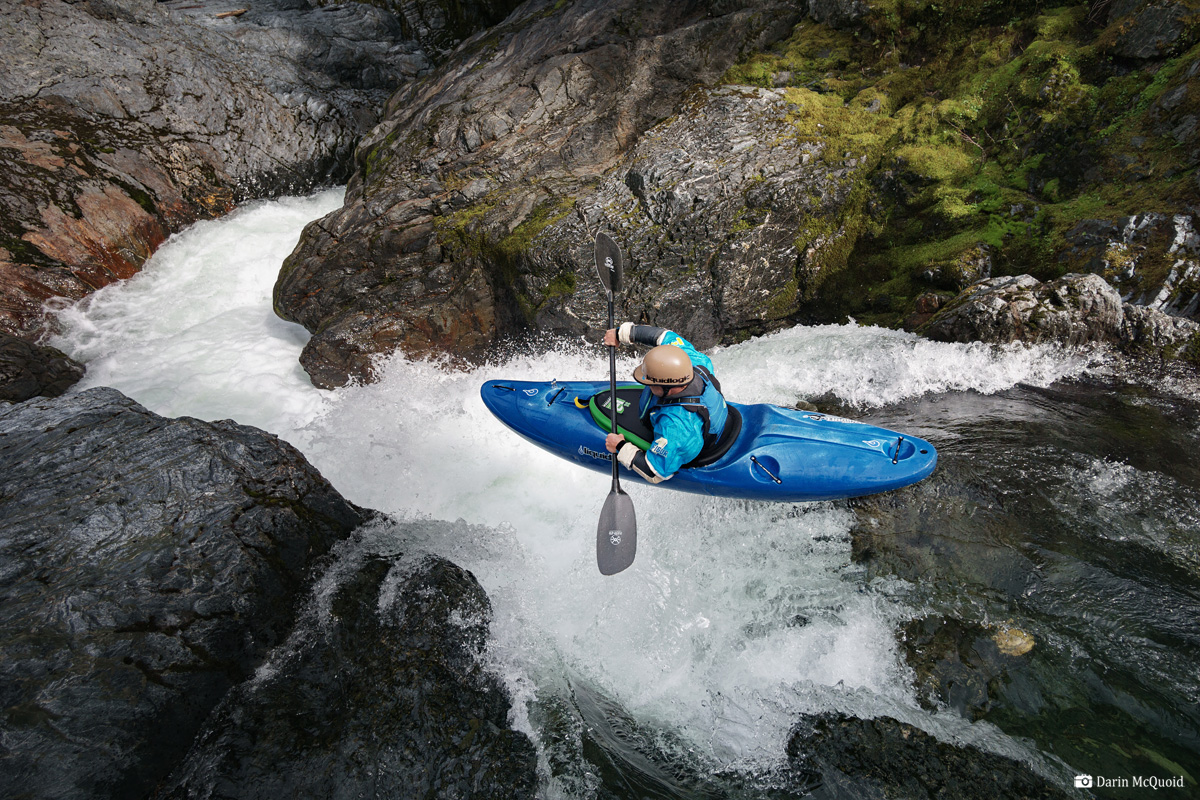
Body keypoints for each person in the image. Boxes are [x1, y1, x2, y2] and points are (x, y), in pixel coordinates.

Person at [602, 322, 729, 484]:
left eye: (651, 384)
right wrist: (621, 333)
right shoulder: (693, 361)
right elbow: (663, 336)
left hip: (694, 441)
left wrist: (620, 446)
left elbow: (656, 473)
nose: (647, 384)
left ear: (668, 388)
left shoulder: (676, 427)